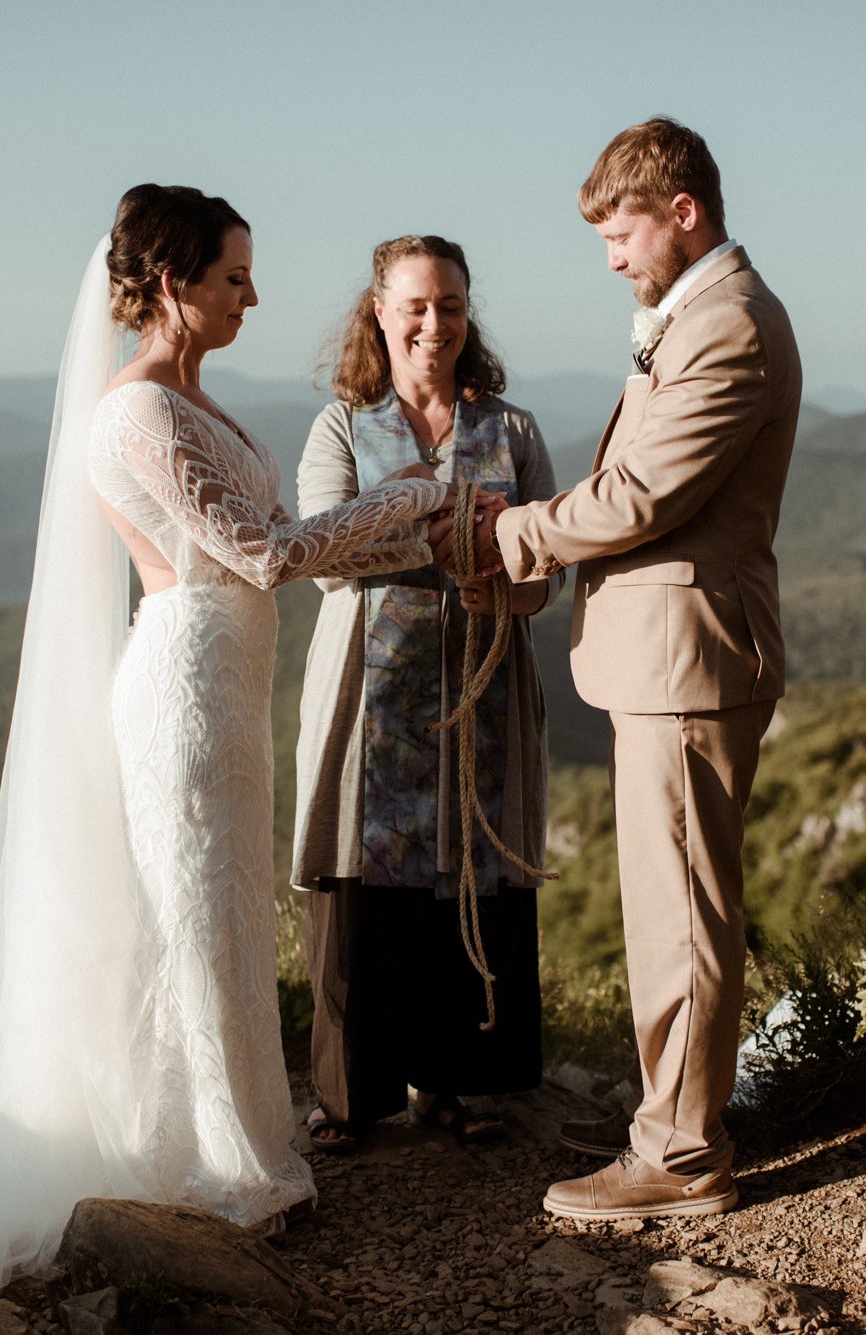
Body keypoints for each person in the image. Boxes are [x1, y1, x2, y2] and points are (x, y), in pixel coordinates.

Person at [0, 185, 454, 1289]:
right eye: (233, 277)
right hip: (182, 688)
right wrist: (411, 498)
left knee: (223, 910)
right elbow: (261, 553)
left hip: (230, 690)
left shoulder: (200, 404)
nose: (253, 295)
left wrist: (418, 532)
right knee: (190, 912)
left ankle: (223, 1140)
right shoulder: (134, 414)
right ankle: (200, 1159)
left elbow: (292, 552)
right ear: (173, 286)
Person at [435, 118, 801, 1220]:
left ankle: (681, 1159)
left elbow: (643, 494)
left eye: (620, 232)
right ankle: (666, 1113)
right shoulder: (693, 316)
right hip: (665, 656)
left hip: (689, 660)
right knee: (662, 903)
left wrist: (512, 537)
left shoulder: (728, 325)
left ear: (681, 212)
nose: (609, 258)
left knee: (682, 911)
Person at [291, 236, 561, 1153]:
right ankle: (352, 1097)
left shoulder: (512, 431)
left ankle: (464, 1081)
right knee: (363, 884)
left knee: (471, 874)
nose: (433, 324)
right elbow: (324, 555)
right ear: (379, 309)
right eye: (415, 305)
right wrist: (447, 534)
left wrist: (490, 563)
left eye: (449, 305)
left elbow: (547, 570)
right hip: (367, 695)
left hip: (484, 687)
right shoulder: (340, 426)